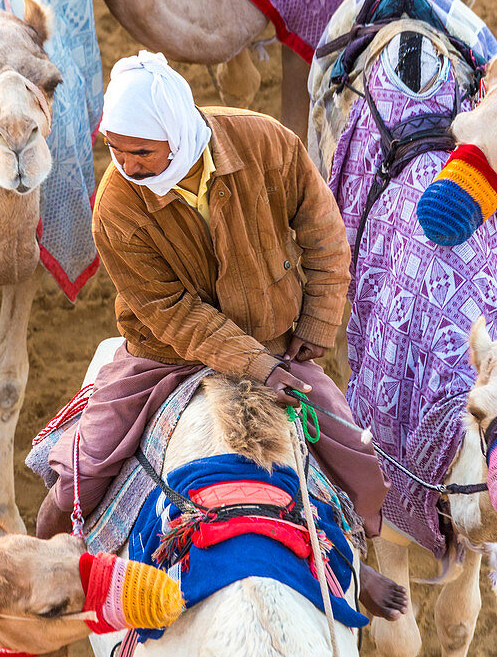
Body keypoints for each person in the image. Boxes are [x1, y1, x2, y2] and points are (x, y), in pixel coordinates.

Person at [36, 51, 407, 620]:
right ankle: (47, 569)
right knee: (81, 476)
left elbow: (325, 236)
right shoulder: (114, 206)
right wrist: (259, 368)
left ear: (175, 131)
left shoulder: (267, 145)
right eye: (115, 149)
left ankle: (352, 562)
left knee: (350, 452)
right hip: (167, 355)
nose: (127, 165)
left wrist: (314, 325)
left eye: (140, 150)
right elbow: (173, 313)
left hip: (278, 339)